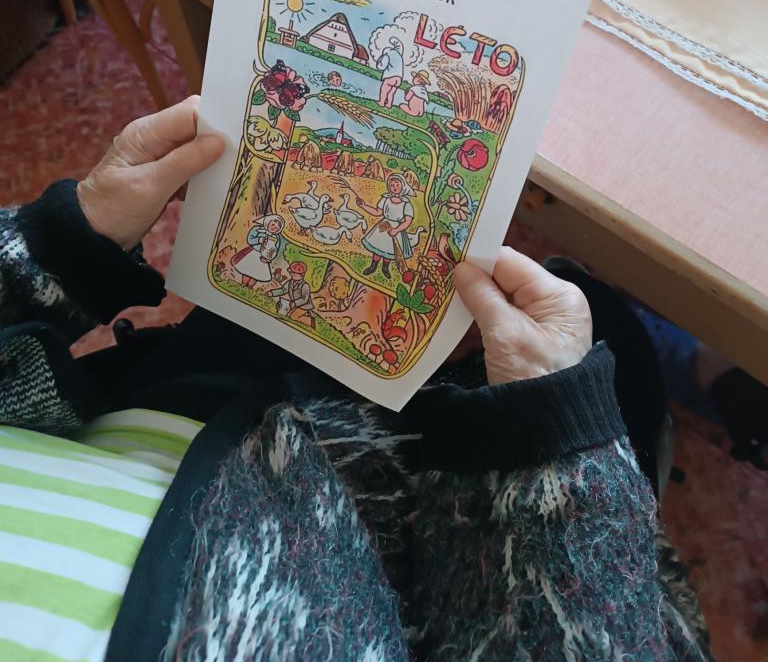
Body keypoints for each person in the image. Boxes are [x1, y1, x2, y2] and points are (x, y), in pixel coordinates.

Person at [0, 97, 712, 661]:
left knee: (292, 281)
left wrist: (56, 244)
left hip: (176, 405)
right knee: (610, 340)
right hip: (385, 533)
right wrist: (553, 445)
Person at [357, 172, 415, 279]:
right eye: (392, 185)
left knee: (389, 249)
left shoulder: (406, 204)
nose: (394, 187)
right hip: (383, 226)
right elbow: (377, 212)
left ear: (403, 185)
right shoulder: (386, 199)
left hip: (395, 230)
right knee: (378, 247)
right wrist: (363, 206)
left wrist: (396, 230)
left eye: (397, 184)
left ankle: (385, 268)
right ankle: (373, 266)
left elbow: (407, 221)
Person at [232, 213, 283, 287]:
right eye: (273, 225)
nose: (274, 228)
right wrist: (259, 240)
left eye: (277, 228)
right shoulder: (257, 229)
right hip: (253, 252)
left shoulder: (276, 238)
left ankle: (249, 287)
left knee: (258, 273)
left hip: (263, 257)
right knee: (248, 269)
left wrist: (269, 258)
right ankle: (243, 285)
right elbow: (249, 240)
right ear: (267, 221)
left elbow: (275, 250)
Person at [270, 259, 314, 324]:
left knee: (293, 316)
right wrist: (272, 293)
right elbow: (283, 290)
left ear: (302, 275)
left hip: (304, 305)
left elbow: (304, 299)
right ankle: (305, 315)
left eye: (295, 273)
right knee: (287, 314)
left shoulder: (305, 286)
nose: (292, 275)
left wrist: (295, 303)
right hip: (295, 304)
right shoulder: (290, 282)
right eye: (292, 273)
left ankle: (311, 321)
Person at [376, 36, 404, 108]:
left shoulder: (387, 55)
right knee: (391, 93)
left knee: (384, 90)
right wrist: (393, 40)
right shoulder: (398, 54)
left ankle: (381, 102)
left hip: (390, 77)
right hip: (399, 79)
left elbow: (381, 67)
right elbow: (399, 46)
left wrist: (379, 61)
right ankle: (389, 104)